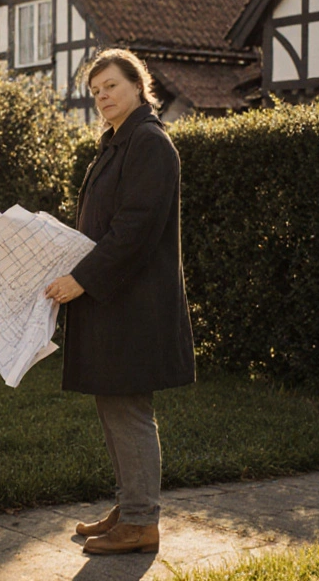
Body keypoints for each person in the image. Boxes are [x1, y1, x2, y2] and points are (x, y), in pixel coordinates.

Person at [44, 48, 196, 555]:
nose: (102, 97)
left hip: (135, 303)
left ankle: (141, 520)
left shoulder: (149, 142)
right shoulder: (117, 143)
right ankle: (131, 502)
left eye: (110, 85)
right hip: (115, 301)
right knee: (113, 404)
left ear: (138, 85)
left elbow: (134, 230)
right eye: (95, 91)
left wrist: (81, 279)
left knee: (127, 407)